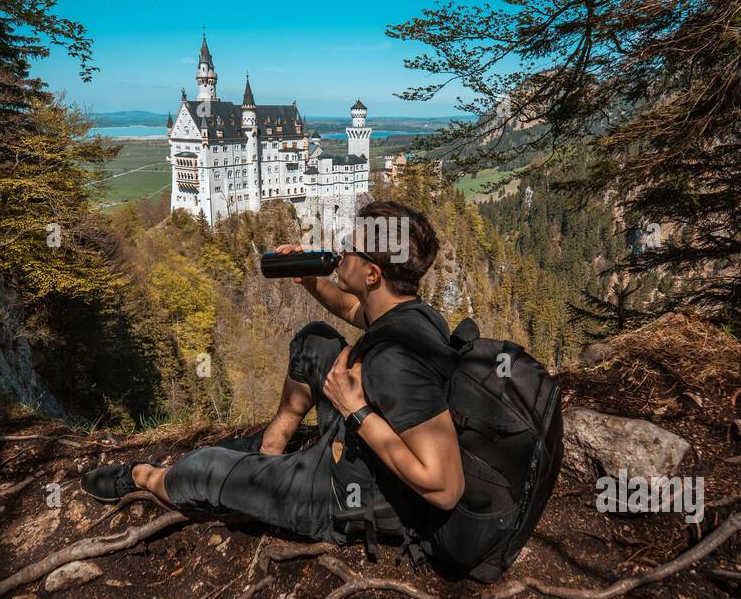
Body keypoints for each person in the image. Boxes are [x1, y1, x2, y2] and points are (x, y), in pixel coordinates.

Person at [80, 200, 465, 560]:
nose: (341, 250)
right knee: (316, 340)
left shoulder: (396, 363)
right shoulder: (412, 315)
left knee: (207, 467)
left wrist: (357, 411)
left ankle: (142, 476)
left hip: (347, 494)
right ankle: (271, 447)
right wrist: (311, 278)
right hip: (358, 453)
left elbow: (446, 487)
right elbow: (352, 308)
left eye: (350, 246)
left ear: (372, 273)